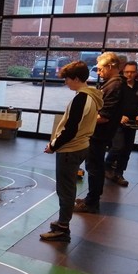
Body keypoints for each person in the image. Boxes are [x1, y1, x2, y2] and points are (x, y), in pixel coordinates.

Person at [40, 61, 103, 242]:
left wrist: (53, 146)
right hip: (81, 146)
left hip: (71, 149)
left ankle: (62, 228)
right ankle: (62, 222)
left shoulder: (81, 98)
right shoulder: (92, 96)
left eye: (67, 79)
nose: (66, 82)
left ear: (76, 78)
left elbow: (70, 130)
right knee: (68, 188)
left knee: (65, 190)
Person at [74, 52, 124, 214]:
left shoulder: (114, 86)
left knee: (94, 168)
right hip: (100, 134)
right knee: (95, 167)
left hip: (99, 134)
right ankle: (91, 198)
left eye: (101, 69)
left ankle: (92, 203)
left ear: (110, 66)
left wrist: (82, 121)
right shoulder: (113, 84)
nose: (98, 72)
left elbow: (104, 116)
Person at [104, 60, 138, 187]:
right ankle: (106, 166)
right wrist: (119, 116)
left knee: (127, 149)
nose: (129, 74)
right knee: (118, 146)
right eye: (127, 72)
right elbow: (110, 105)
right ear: (123, 71)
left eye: (132, 72)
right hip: (117, 121)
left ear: (136, 72)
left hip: (132, 122)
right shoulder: (118, 85)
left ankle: (119, 173)